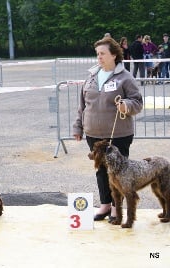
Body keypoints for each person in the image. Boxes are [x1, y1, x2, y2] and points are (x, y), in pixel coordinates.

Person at [73, 37, 143, 223]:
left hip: (118, 135)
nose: (99, 57)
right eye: (97, 54)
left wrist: (126, 105)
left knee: (119, 172)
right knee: (101, 171)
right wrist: (78, 126)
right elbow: (83, 105)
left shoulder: (125, 77)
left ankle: (115, 207)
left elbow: (137, 102)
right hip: (93, 134)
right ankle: (104, 204)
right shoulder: (91, 76)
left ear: (114, 55)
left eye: (102, 53)